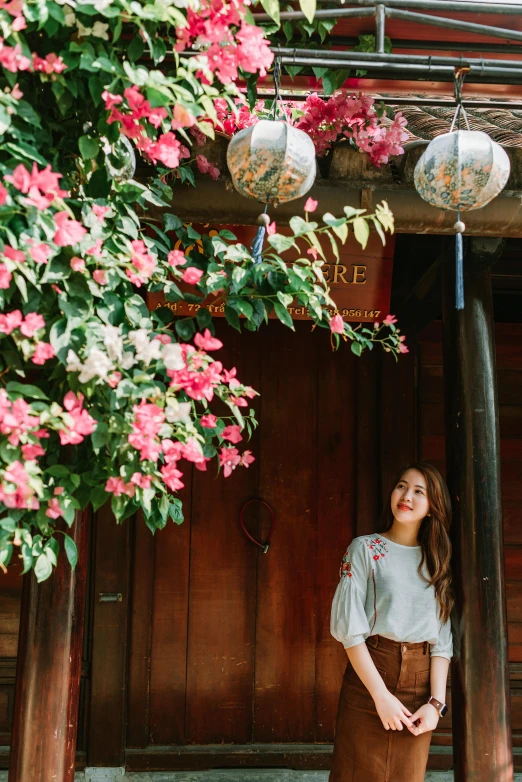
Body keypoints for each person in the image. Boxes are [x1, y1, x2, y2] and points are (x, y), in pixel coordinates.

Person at [329, 461, 454, 782]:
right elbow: (350, 631)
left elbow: (442, 640)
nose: (406, 495)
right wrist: (380, 696)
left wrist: (436, 704)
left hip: (419, 686)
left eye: (418, 491)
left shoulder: (438, 560)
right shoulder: (366, 548)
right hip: (371, 675)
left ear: (432, 507)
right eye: (401, 485)